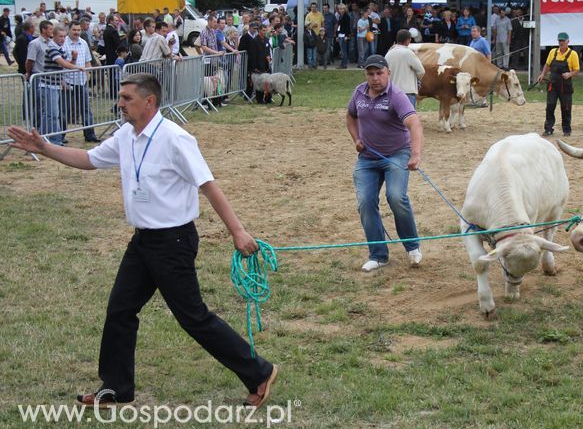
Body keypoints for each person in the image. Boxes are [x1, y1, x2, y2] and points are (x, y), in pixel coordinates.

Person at [7, 73, 279, 408]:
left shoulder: (176, 139)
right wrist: (44, 148)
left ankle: (259, 372)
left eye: (126, 98)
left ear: (149, 101)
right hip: (142, 242)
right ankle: (116, 388)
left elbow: (208, 186)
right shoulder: (126, 136)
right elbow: (89, 160)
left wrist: (238, 231)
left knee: (193, 318)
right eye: (120, 97)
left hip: (173, 242)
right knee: (120, 310)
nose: (119, 104)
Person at [346, 54, 424, 273]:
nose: (375, 78)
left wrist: (415, 154)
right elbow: (350, 116)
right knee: (365, 202)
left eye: (379, 73)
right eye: (370, 74)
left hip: (396, 155)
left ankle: (412, 246)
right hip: (367, 158)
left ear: (388, 73)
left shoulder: (397, 96)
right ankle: (378, 255)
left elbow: (414, 124)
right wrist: (356, 139)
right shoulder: (359, 93)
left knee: (396, 197)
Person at [63, 21, 100, 143]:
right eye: (74, 30)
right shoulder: (63, 43)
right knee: (65, 110)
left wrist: (87, 76)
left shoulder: (83, 43)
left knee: (86, 109)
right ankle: (60, 136)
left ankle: (90, 135)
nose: (76, 32)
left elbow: (88, 61)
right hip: (67, 81)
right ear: (69, 30)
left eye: (78, 30)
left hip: (82, 81)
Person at [538, 32, 580, 137]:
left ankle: (566, 130)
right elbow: (547, 65)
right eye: (560, 41)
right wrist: (543, 74)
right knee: (550, 106)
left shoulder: (573, 54)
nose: (561, 43)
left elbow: (577, 70)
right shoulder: (553, 52)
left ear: (568, 41)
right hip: (552, 84)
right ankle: (548, 128)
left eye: (563, 41)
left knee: (566, 108)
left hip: (565, 85)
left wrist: (569, 74)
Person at [385, 29, 425, 107]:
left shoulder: (389, 53)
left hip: (392, 91)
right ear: (408, 40)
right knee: (408, 114)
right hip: (407, 92)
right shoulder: (408, 53)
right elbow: (421, 71)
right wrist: (416, 80)